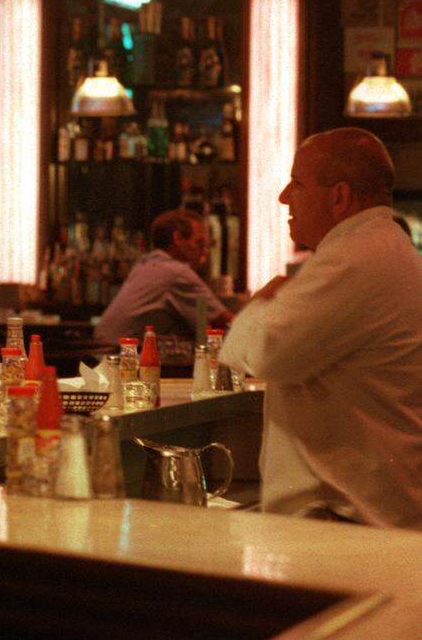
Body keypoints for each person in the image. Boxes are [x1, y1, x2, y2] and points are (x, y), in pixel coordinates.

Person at [222, 127, 422, 529]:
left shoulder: (353, 258)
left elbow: (264, 353)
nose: (283, 197)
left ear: (339, 197)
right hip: (374, 511)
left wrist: (259, 304)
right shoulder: (390, 250)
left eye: (297, 183)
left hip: (344, 518)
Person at [93, 209, 232, 346]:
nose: (204, 252)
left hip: (98, 352)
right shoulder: (176, 272)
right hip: (122, 355)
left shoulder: (146, 264)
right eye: (200, 243)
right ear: (178, 239)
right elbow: (225, 321)